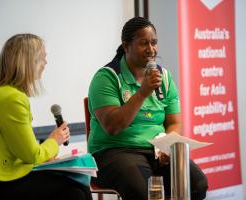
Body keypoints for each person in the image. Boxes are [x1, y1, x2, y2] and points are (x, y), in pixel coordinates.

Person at [87, 17, 208, 200]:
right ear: (126, 46)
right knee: (143, 192)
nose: (151, 50)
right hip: (114, 152)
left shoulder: (164, 77)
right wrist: (143, 93)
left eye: (154, 43)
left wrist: (166, 145)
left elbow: (174, 122)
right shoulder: (106, 78)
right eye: (144, 43)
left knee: (197, 185)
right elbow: (113, 127)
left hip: (156, 153)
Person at [0, 34, 92, 200]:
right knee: (76, 189)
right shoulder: (12, 98)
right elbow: (31, 156)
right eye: (42, 57)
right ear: (28, 61)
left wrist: (47, 148)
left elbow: (21, 151)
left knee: (76, 190)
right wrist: (55, 141)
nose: (46, 63)